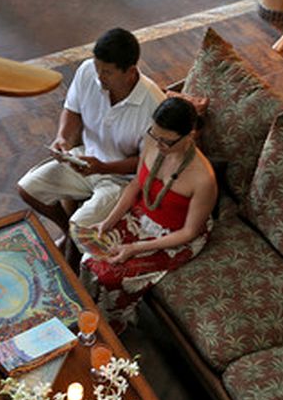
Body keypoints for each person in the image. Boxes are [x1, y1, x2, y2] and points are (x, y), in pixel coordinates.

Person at [17, 27, 164, 250]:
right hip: (84, 158)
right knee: (28, 189)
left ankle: (72, 242)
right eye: (97, 68)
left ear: (130, 72)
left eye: (107, 72)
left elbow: (147, 164)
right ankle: (67, 234)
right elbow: (72, 110)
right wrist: (63, 138)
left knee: (80, 227)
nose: (99, 76)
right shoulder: (87, 71)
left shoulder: (153, 105)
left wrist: (103, 168)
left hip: (120, 179)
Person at [79, 96, 217, 332]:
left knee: (112, 275)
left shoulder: (203, 178)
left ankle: (110, 328)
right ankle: (87, 314)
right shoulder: (152, 142)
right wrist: (108, 222)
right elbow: (136, 184)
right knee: (90, 256)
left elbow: (189, 232)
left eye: (167, 141)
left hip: (174, 235)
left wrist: (134, 248)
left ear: (190, 135)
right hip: (141, 215)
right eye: (155, 134)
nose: (159, 144)